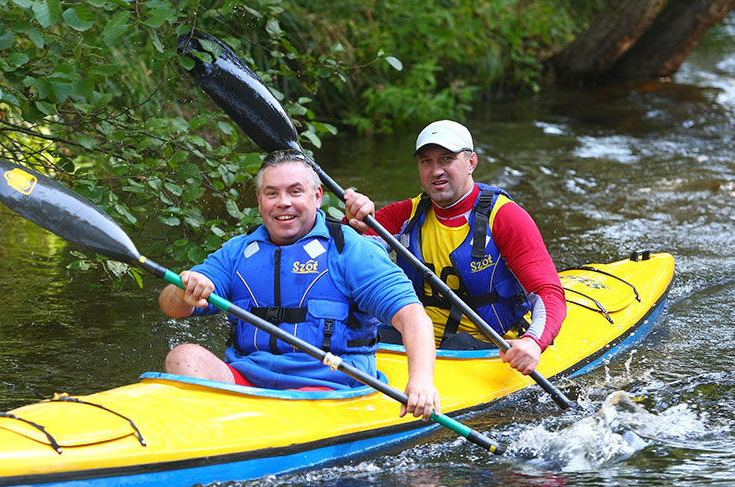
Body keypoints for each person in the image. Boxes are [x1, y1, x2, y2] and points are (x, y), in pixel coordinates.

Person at [159, 150, 439, 419]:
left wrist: (421, 381)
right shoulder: (237, 252)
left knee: (297, 404)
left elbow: (412, 316)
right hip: (249, 381)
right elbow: (171, 306)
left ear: (317, 197)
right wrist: (184, 290)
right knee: (184, 357)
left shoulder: (348, 250)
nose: (283, 202)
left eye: (295, 191)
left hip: (329, 387)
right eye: (272, 193)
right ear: (259, 201)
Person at [343, 120, 566, 376]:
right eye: (426, 161)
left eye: (446, 159)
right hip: (417, 341)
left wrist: (533, 342)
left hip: (485, 346)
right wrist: (352, 220)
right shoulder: (404, 214)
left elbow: (548, 292)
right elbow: (345, 258)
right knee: (363, 332)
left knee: (458, 343)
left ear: (471, 163)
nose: (436, 170)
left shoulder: (506, 217)